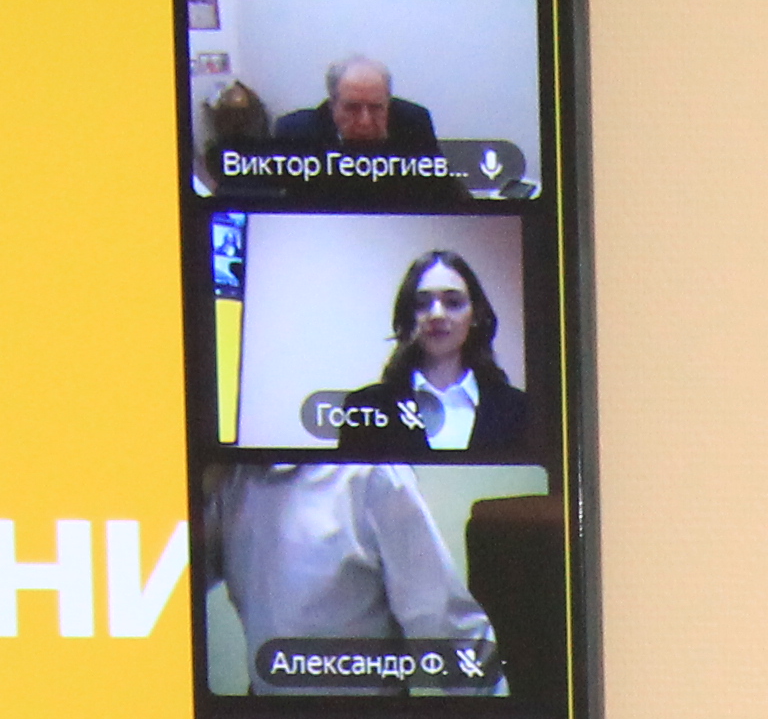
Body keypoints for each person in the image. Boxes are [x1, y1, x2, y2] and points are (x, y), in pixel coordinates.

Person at [198, 461, 488, 692]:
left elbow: (442, 624)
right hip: (263, 718)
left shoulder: (372, 474)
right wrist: (196, 488)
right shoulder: (232, 478)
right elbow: (178, 586)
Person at [335, 247, 541, 461]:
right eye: (422, 304)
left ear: (476, 315)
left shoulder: (519, 409)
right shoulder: (366, 406)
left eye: (453, 303)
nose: (437, 314)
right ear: (408, 315)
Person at [269, 55, 436, 148]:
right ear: (332, 105)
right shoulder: (296, 132)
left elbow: (438, 191)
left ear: (388, 102)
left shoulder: (413, 124)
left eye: (376, 108)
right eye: (352, 108)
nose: (365, 121)